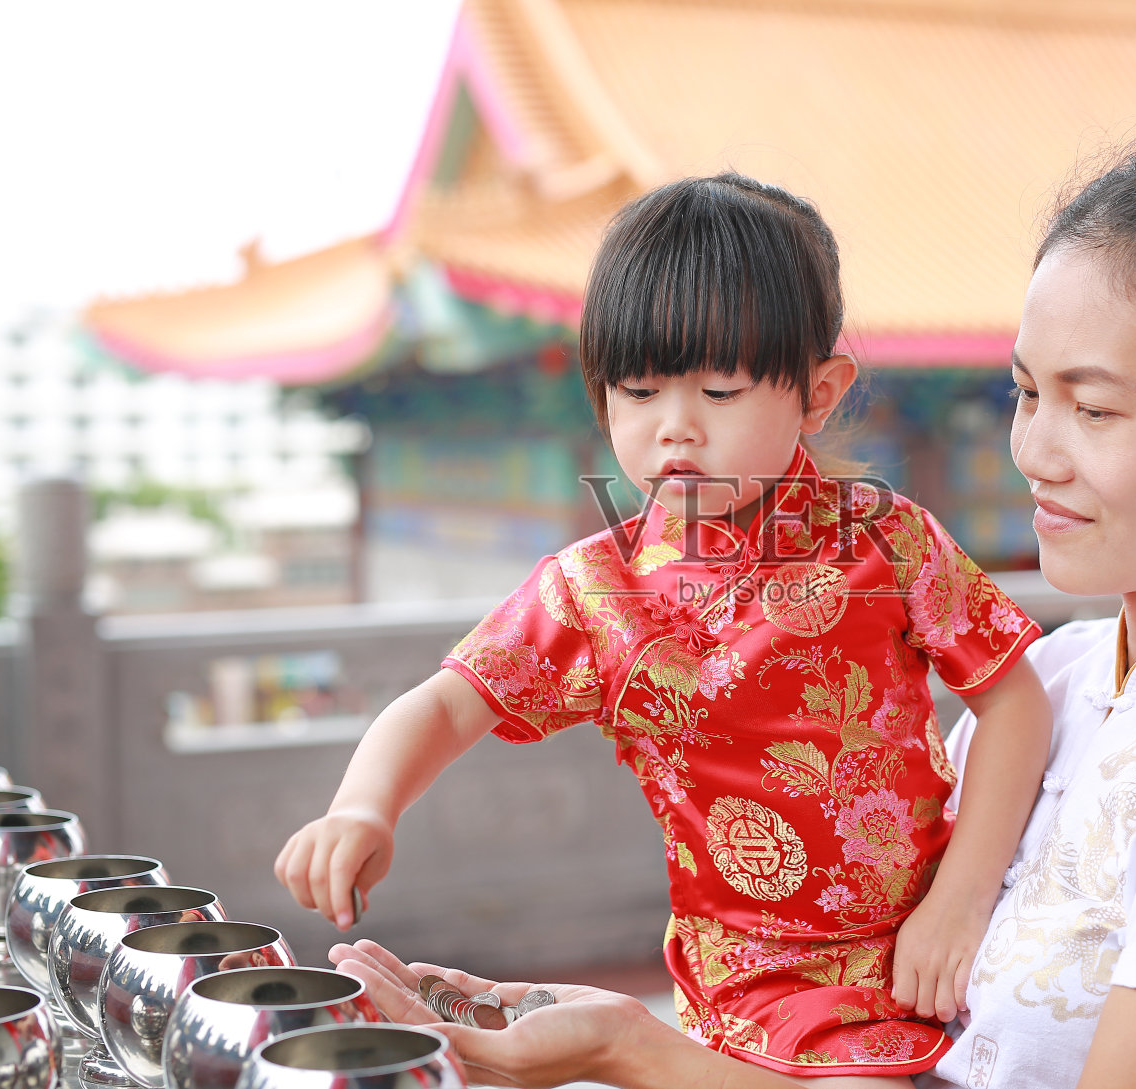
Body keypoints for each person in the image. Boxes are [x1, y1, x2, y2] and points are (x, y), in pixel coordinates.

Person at [326, 140, 1136, 1089]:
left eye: (1094, 408)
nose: (1035, 453)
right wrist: (642, 1030)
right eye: (1026, 395)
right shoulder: (1073, 677)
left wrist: (635, 1053)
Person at [277, 173, 1054, 1083]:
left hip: (940, 937)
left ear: (819, 391)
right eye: (638, 391)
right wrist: (363, 806)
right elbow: (448, 706)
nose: (674, 430)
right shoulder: (593, 589)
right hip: (742, 983)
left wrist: (959, 903)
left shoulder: (889, 543)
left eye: (720, 392)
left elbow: (1014, 701)